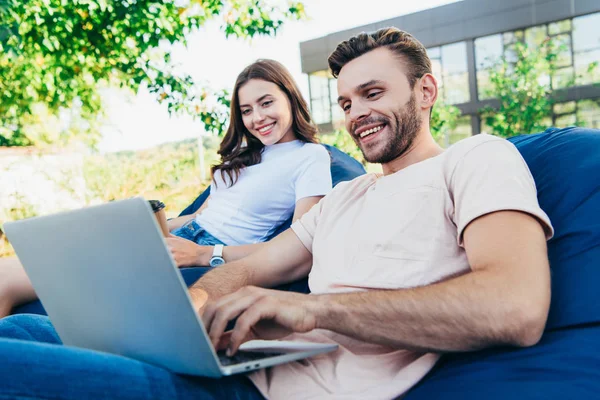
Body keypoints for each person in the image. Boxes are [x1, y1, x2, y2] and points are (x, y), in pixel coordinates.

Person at [0, 27, 553, 400]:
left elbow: (516, 306)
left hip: (268, 392)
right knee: (24, 325)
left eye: (373, 93)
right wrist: (187, 312)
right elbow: (252, 268)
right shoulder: (345, 198)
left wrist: (315, 310)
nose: (357, 113)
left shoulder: (477, 159)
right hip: (231, 363)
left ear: (425, 90)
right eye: (346, 102)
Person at [0, 59, 332, 318]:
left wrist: (205, 255)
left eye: (266, 102)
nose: (257, 117)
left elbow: (297, 245)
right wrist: (136, 224)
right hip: (184, 242)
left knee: (53, 280)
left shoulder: (310, 157)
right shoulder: (247, 157)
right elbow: (198, 217)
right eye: (246, 110)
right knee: (8, 274)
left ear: (290, 96)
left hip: (213, 256)